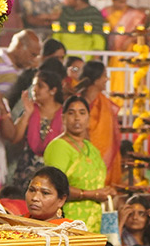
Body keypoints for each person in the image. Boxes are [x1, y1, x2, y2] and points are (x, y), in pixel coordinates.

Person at [43, 95, 109, 230]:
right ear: (63, 118)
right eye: (71, 113)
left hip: (95, 221)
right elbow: (53, 187)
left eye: (82, 113)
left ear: (89, 118)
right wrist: (93, 194)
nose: (77, 118)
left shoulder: (92, 149)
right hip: (68, 222)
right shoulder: (58, 146)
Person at [9, 68, 65, 192]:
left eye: (40, 86)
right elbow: (15, 137)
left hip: (53, 168)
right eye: (34, 85)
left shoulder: (64, 114)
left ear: (53, 90)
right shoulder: (31, 110)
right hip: (26, 170)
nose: (35, 89)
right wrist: (27, 113)